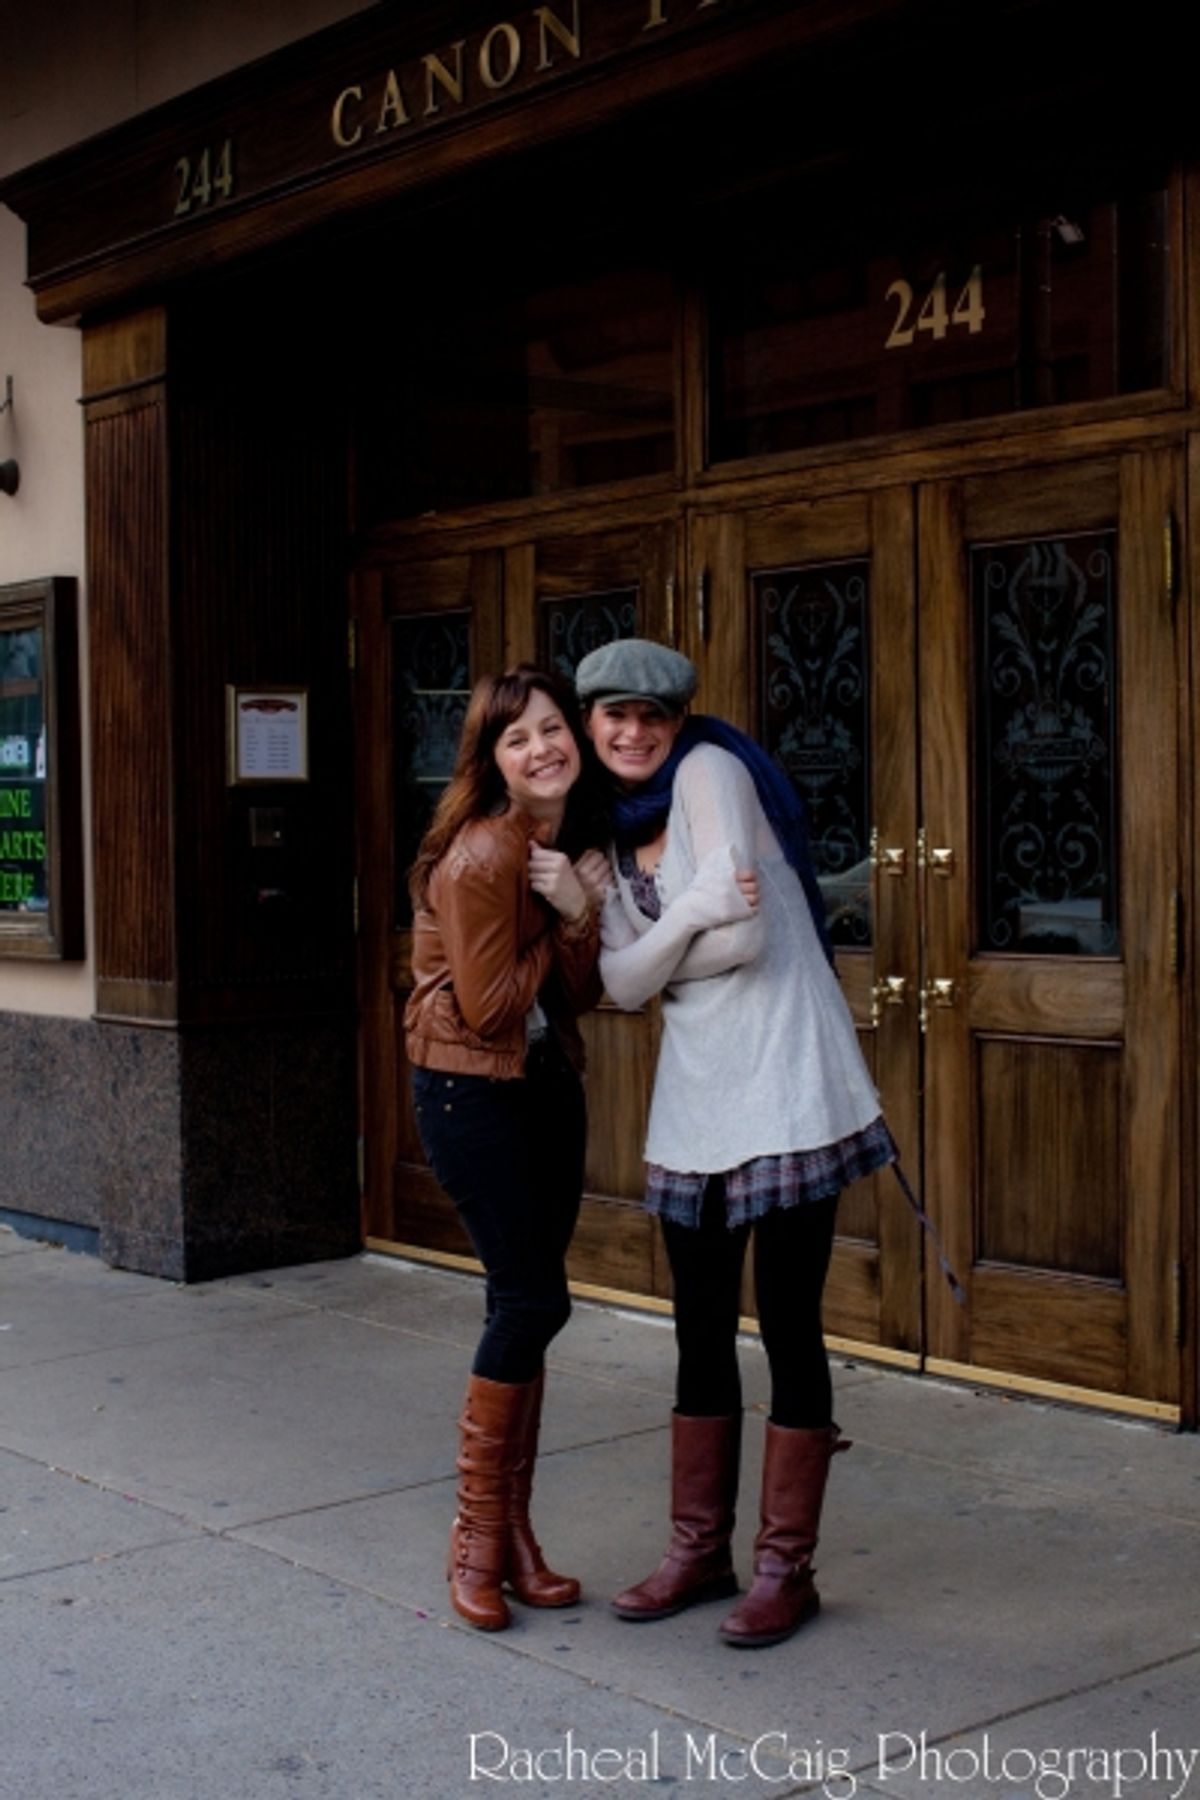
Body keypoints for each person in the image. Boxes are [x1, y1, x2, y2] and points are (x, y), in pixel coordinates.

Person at [575, 638, 896, 1650]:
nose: (634, 735)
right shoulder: (604, 828)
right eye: (613, 718)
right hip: (698, 1094)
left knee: (790, 1321)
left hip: (787, 1080)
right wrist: (697, 916)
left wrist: (666, 943)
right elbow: (618, 990)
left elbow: (746, 943)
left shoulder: (712, 772)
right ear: (590, 725)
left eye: (651, 718)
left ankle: (782, 1569)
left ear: (678, 724)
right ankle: (698, 1551)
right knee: (699, 1323)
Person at [405, 665, 609, 1633]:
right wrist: (567, 914)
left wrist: (575, 907)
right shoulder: (487, 851)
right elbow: (487, 1011)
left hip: (541, 1094)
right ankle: (476, 1540)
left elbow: (576, 998)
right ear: (491, 761)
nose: (543, 747)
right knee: (534, 1299)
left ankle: (515, 1538)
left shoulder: (551, 847)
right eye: (517, 737)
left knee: (519, 1308)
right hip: (471, 1095)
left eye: (552, 728)